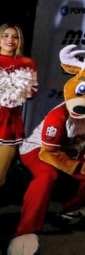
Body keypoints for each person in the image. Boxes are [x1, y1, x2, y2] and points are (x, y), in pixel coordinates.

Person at [0, 23, 38, 191]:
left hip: (9, 122)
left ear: (20, 41)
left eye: (15, 37)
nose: (10, 40)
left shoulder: (27, 63)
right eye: (5, 35)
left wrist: (16, 89)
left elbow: (32, 93)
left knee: (0, 175)